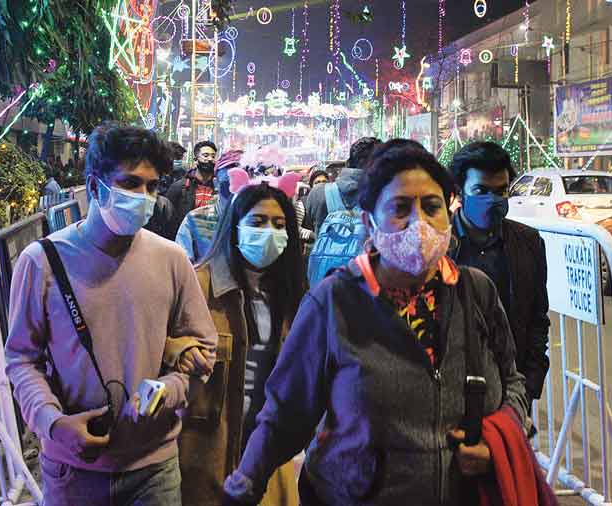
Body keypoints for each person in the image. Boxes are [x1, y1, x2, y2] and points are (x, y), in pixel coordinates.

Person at [223, 141, 532, 505]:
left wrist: (496, 443)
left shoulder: (476, 291)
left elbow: (512, 379)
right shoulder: (333, 301)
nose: (420, 223)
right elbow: (284, 415)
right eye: (400, 208)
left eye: (432, 207)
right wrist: (244, 484)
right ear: (370, 221)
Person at [5, 123, 217, 505]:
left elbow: (203, 348)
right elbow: (22, 359)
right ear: (93, 186)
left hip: (154, 469)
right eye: (130, 183)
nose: (144, 197)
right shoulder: (41, 262)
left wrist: (169, 390)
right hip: (73, 471)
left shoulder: (172, 260)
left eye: (152, 187)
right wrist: (53, 423)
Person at [168, 171, 305, 506]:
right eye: (257, 221)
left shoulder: (294, 298)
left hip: (268, 453)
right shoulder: (197, 286)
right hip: (205, 453)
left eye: (278, 224)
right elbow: (155, 346)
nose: (269, 233)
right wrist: (180, 351)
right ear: (235, 226)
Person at [448, 141, 550, 403]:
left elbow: (538, 318)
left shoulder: (528, 243)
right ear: (460, 192)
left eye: (501, 191)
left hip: (512, 390)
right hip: (451, 392)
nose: (493, 200)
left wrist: (529, 387)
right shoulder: (439, 244)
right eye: (481, 190)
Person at [305, 137, 382, 285]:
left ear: (348, 163)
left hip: (323, 286)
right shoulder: (385, 198)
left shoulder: (317, 194)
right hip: (365, 290)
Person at [175, 150, 243, 263]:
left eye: (241, 183)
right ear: (216, 183)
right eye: (229, 183)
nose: (234, 191)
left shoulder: (260, 219)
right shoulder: (195, 220)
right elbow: (183, 268)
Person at [167, 140, 219, 236]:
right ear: (196, 160)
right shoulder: (179, 187)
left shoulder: (220, 188)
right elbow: (168, 219)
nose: (210, 159)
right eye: (206, 155)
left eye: (213, 156)